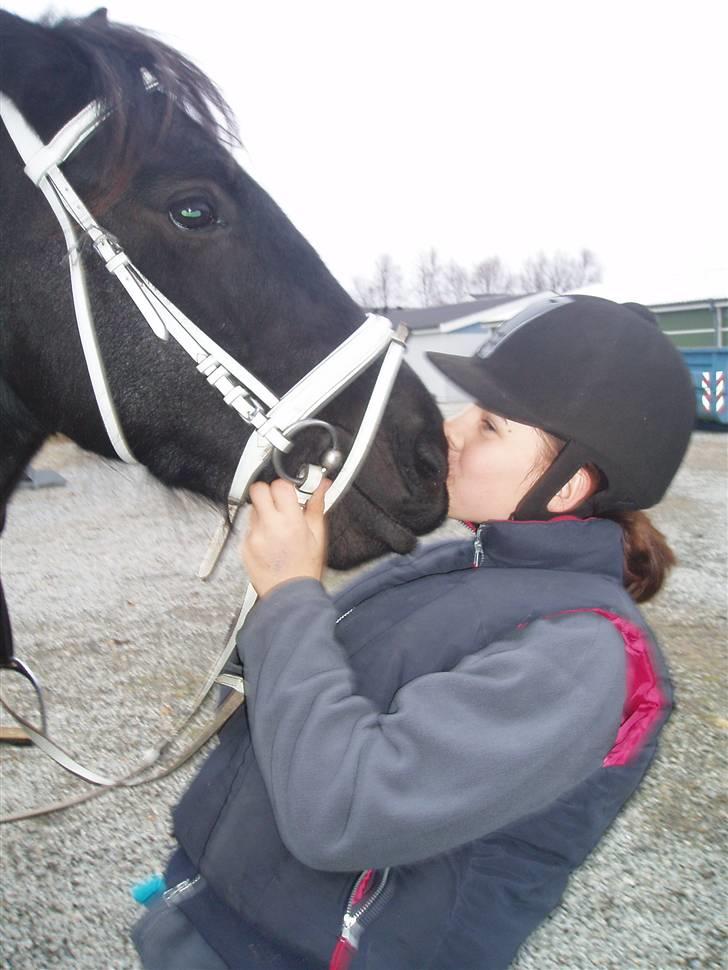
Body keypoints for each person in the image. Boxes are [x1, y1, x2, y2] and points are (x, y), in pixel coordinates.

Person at [132, 294, 695, 970]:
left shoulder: (585, 655)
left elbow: (343, 811)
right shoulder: (457, 562)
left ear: (567, 484)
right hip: (211, 922)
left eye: (489, 425)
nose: (451, 430)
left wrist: (289, 593)